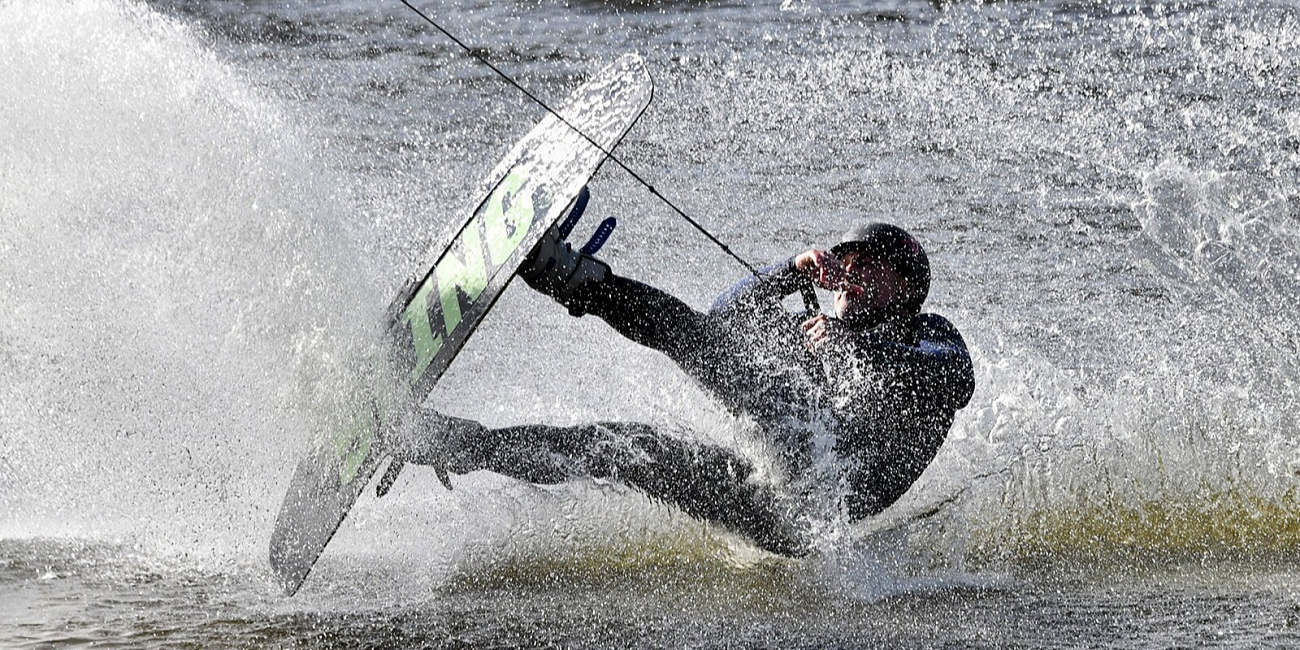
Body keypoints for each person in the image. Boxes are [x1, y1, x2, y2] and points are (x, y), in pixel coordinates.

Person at [384, 194, 975, 556]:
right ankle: (450, 444)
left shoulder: (930, 336)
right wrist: (790, 274)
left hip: (811, 516)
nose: (848, 275)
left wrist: (855, 341)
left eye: (865, 266)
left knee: (708, 357)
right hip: (771, 489)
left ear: (905, 285)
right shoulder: (820, 335)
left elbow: (952, 378)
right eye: (843, 263)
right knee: (620, 447)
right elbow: (720, 321)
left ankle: (571, 278)